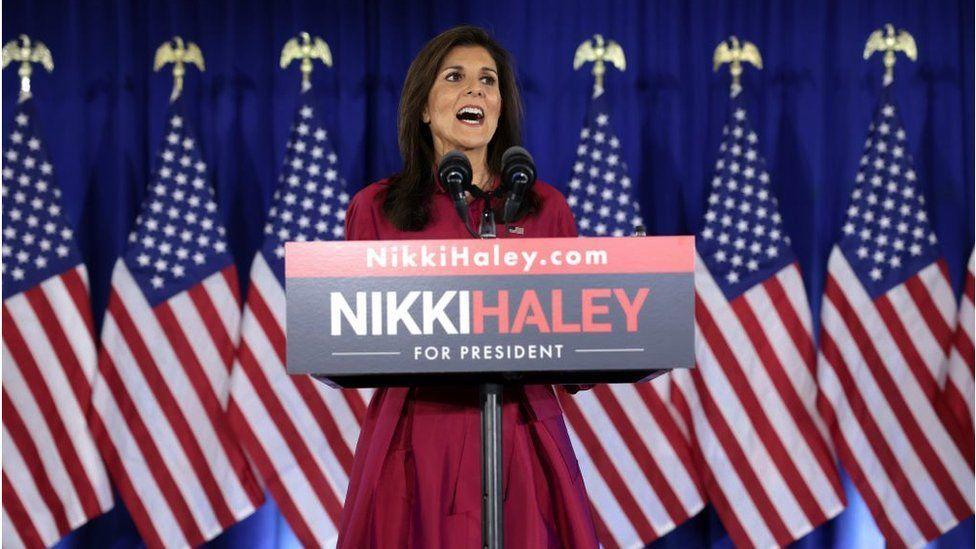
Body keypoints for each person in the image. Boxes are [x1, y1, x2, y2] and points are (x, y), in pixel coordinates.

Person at [338, 25, 599, 548]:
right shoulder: (377, 209)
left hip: (522, 434)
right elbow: (349, 340)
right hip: (414, 436)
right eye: (455, 78)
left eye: (488, 81)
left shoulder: (546, 208)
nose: (475, 90)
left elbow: (581, 350)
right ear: (425, 109)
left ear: (500, 108)